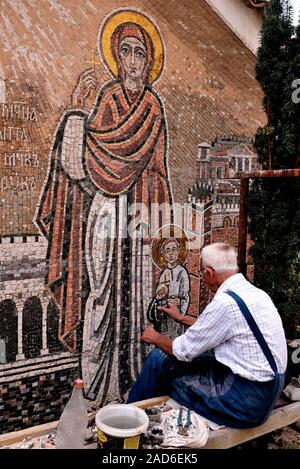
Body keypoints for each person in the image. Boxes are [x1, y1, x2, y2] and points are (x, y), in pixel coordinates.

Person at [35, 14, 172, 405]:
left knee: (138, 301)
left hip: (139, 221)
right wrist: (77, 112)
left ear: (148, 62)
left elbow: (159, 172)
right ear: (116, 57)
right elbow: (81, 166)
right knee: (102, 297)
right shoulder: (109, 100)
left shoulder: (153, 108)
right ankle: (97, 390)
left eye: (140, 54)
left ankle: (137, 389)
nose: (132, 61)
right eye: (125, 52)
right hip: (106, 212)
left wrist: (159, 228)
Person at [127, 242, 288, 428]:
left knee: (163, 367)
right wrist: (181, 318)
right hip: (268, 390)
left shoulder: (225, 303)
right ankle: (136, 417)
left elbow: (182, 351)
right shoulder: (255, 293)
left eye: (203, 272)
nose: (203, 277)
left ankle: (128, 422)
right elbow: (218, 329)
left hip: (246, 403)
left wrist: (154, 337)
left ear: (210, 272)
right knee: (171, 362)